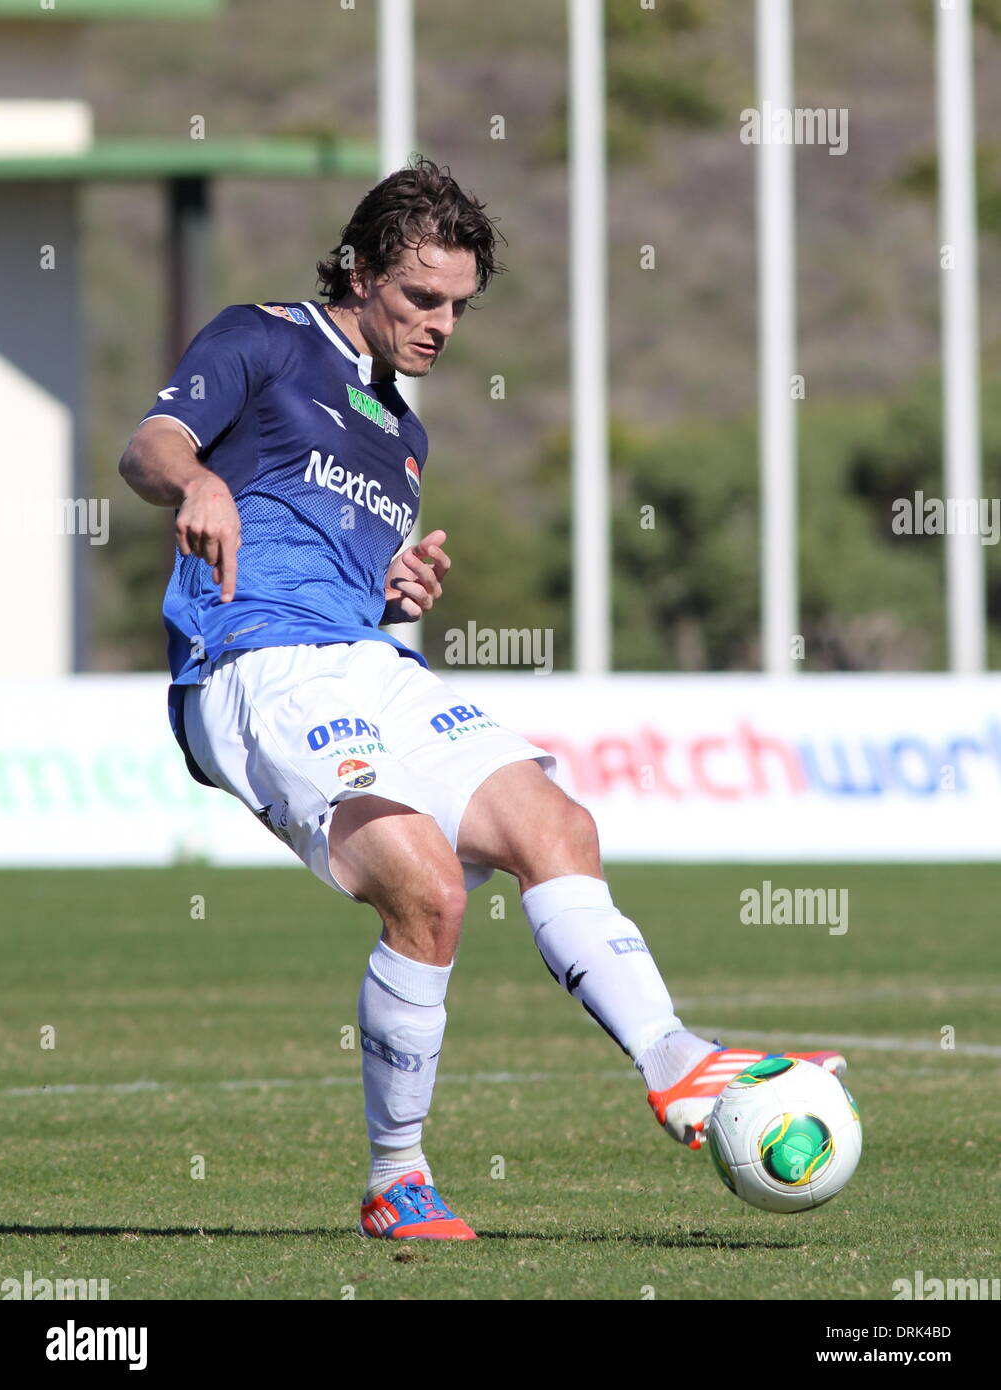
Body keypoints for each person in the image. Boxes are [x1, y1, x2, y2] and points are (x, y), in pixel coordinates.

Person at [119, 157, 845, 1241]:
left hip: (362, 661)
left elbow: (338, 571)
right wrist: (200, 481)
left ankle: (674, 1061)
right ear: (358, 270)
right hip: (253, 663)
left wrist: (393, 588)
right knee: (428, 888)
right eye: (421, 297)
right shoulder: (262, 336)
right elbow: (150, 446)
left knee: (556, 825)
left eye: (459, 305)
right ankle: (396, 1175)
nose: (442, 323)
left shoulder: (404, 435)